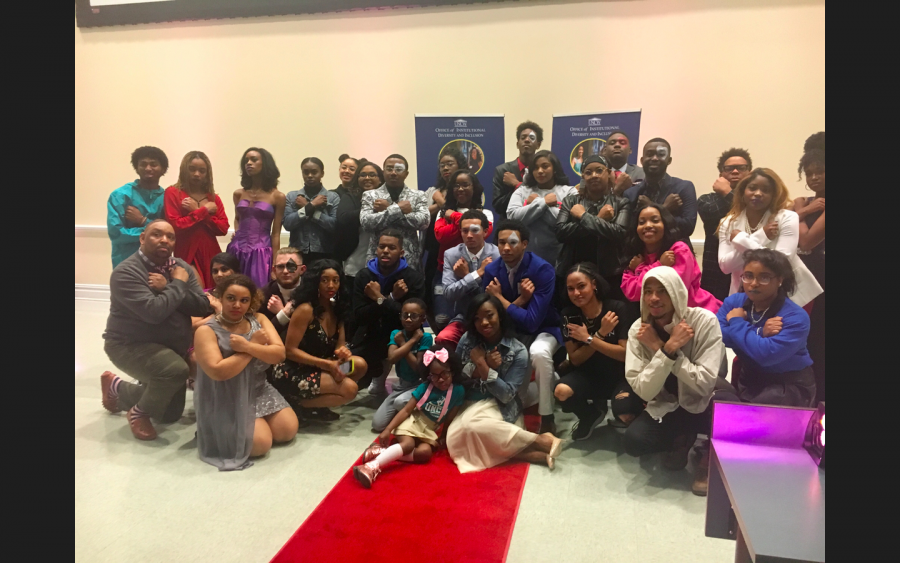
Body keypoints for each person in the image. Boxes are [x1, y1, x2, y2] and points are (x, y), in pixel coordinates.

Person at [100, 219, 214, 441]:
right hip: (129, 345)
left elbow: (202, 305)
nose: (165, 240)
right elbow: (154, 313)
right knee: (174, 371)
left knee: (169, 414)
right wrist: (178, 285)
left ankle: (117, 388)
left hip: (169, 347)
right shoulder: (126, 272)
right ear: (142, 238)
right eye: (157, 234)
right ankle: (138, 412)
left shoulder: (180, 267)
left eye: (170, 236)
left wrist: (169, 286)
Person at [622, 266, 728, 496]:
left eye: (663, 291)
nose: (654, 298)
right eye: (648, 291)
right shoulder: (638, 330)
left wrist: (664, 350)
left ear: (676, 292)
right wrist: (667, 350)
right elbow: (644, 390)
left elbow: (705, 382)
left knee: (729, 416)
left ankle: (707, 457)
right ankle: (681, 440)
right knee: (634, 441)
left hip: (705, 400)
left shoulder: (704, 321)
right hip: (668, 405)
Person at [447, 294, 563, 472]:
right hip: (469, 402)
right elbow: (456, 376)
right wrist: (480, 366)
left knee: (470, 427)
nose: (484, 322)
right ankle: (530, 453)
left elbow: (507, 394)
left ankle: (540, 440)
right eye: (477, 319)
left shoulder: (517, 350)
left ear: (500, 316)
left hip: (499, 406)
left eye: (489, 315)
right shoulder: (467, 340)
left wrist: (484, 368)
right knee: (454, 439)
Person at [193, 274, 298, 470]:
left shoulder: (259, 319)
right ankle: (214, 428)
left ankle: (239, 428)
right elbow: (218, 372)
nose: (237, 305)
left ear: (252, 301)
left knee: (287, 431)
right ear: (220, 298)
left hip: (259, 388)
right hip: (226, 395)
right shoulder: (206, 331)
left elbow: (279, 354)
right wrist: (254, 346)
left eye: (244, 300)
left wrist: (247, 347)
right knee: (260, 445)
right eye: (231, 298)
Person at [482, 220, 562, 435]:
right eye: (501, 243)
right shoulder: (491, 270)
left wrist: (499, 298)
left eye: (513, 242)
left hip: (545, 328)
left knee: (540, 353)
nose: (506, 248)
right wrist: (520, 301)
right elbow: (491, 315)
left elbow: (533, 321)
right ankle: (551, 380)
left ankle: (547, 417)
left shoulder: (542, 269)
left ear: (525, 243)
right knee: (515, 400)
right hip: (513, 332)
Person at [354, 346, 465, 487]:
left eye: (445, 374)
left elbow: (449, 417)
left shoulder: (458, 391)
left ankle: (382, 452)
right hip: (413, 421)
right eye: (435, 375)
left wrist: (443, 435)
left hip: (429, 430)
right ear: (428, 375)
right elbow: (406, 410)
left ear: (453, 371)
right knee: (408, 445)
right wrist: (388, 429)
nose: (441, 379)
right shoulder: (425, 388)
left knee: (425, 454)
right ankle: (372, 467)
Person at [716, 249, 815, 407]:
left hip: (787, 386)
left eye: (764, 277)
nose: (754, 283)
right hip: (748, 378)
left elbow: (765, 354)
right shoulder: (734, 302)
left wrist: (736, 321)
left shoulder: (795, 317)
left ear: (780, 280)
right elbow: (716, 334)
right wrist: (760, 332)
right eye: (748, 276)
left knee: (751, 421)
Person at [271, 260, 368, 421]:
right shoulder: (305, 309)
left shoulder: (337, 308)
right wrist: (328, 365)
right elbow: (290, 351)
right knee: (350, 390)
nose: (331, 285)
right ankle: (296, 404)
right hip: (294, 370)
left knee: (358, 365)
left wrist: (342, 353)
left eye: (335, 280)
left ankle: (319, 404)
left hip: (321, 365)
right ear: (315, 281)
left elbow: (339, 346)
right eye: (325, 280)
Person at [556, 263, 643, 440]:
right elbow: (575, 360)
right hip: (587, 375)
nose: (576, 293)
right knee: (561, 391)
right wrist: (601, 334)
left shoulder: (617, 309)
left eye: (581, 286)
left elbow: (624, 354)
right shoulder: (568, 315)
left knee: (625, 413)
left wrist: (589, 339)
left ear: (594, 285)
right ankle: (590, 415)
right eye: (571, 289)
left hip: (620, 375)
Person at [717, 168, 822, 307]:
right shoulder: (728, 222)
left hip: (790, 294)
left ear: (774, 195)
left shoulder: (787, 217)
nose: (758, 193)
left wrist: (742, 239)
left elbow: (782, 262)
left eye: (766, 190)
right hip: (747, 294)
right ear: (742, 192)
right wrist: (762, 235)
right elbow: (726, 266)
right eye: (752, 188)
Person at [351, 229, 426, 395]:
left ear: (401, 252)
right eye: (382, 246)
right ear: (376, 249)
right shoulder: (364, 276)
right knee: (349, 372)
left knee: (412, 339)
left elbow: (411, 318)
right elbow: (359, 315)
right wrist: (391, 298)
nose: (385, 251)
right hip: (369, 333)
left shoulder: (413, 278)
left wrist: (379, 298)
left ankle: (401, 381)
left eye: (391, 247)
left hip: (400, 333)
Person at [555, 155, 632, 297]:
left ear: (608, 173)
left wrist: (584, 217)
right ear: (583, 176)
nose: (594, 175)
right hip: (573, 271)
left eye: (599, 170)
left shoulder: (621, 203)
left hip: (609, 273)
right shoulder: (570, 201)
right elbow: (561, 232)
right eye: (588, 172)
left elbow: (619, 233)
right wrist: (599, 219)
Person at [622, 203, 721, 313]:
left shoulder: (679, 250)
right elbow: (632, 293)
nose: (648, 225)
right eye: (641, 222)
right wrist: (659, 265)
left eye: (655, 220)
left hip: (698, 313)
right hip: (662, 320)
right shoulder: (637, 257)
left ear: (665, 224)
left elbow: (671, 291)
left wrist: (642, 270)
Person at [433, 169, 495, 330]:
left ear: (474, 188)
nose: (460, 189)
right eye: (456, 185)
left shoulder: (486, 213)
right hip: (446, 271)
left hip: (479, 270)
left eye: (465, 185)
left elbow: (486, 232)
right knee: (442, 319)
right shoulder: (441, 213)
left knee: (480, 316)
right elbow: (441, 236)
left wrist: (453, 217)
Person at [164, 151, 230, 289]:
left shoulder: (213, 198)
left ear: (207, 174)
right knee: (196, 291)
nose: (196, 174)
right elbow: (175, 225)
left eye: (202, 171)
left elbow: (223, 228)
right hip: (187, 250)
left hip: (211, 251)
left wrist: (200, 214)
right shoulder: (173, 192)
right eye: (192, 169)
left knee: (214, 291)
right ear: (184, 169)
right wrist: (203, 211)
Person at [436, 210, 501, 351]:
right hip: (465, 317)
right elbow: (448, 293)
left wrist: (466, 275)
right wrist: (477, 274)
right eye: (465, 231)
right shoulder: (452, 254)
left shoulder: (497, 255)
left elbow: (492, 295)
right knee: (443, 338)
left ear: (485, 232)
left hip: (492, 319)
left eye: (475, 230)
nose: (469, 235)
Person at [793, 132, 825, 401]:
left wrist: (799, 211)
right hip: (804, 280)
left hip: (823, 281)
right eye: (809, 173)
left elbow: (806, 240)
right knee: (805, 340)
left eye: (820, 172)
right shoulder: (806, 202)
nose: (814, 178)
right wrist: (801, 209)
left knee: (820, 341)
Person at [697, 148, 753, 301]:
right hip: (716, 271)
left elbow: (750, 213)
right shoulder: (706, 200)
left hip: (749, 269)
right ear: (721, 174)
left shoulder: (758, 201)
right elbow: (713, 216)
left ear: (750, 172)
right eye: (729, 169)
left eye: (741, 168)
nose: (735, 171)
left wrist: (728, 192)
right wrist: (729, 194)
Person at [371, 299, 434, 432]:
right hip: (401, 386)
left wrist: (404, 344)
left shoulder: (426, 337)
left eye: (414, 316)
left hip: (419, 385)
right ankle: (404, 414)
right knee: (378, 425)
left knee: (400, 402)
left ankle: (416, 415)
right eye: (405, 315)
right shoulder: (396, 334)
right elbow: (392, 358)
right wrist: (411, 341)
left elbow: (417, 368)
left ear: (423, 319)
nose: (409, 320)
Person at [227, 147, 286, 288]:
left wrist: (275, 264)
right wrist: (237, 232)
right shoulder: (238, 194)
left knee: (258, 292)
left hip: (261, 253)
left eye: (254, 160)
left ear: (265, 164)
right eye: (246, 160)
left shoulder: (277, 196)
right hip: (236, 250)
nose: (249, 163)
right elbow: (237, 218)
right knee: (232, 289)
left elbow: (276, 233)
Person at [422, 150, 467, 330]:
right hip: (435, 248)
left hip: (458, 250)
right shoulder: (433, 191)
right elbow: (423, 216)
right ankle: (439, 332)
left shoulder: (465, 188)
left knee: (457, 293)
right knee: (430, 295)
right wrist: (440, 203)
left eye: (450, 163)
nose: (446, 168)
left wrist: (442, 203)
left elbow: (462, 216)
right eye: (442, 165)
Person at [506, 150, 577, 265]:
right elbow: (513, 218)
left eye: (545, 166)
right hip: (528, 258)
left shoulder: (569, 192)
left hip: (560, 259)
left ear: (554, 169)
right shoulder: (523, 190)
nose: (540, 171)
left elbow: (566, 225)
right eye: (535, 168)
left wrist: (536, 203)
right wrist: (544, 202)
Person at [359, 154, 430, 269]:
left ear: (406, 174)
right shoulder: (370, 195)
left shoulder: (418, 195)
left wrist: (388, 208)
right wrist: (398, 208)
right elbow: (366, 223)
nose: (393, 172)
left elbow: (424, 222)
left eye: (398, 169)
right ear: (383, 172)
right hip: (377, 260)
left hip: (409, 261)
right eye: (389, 168)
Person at [623, 138, 697, 241]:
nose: (654, 158)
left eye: (661, 154)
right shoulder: (631, 193)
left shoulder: (684, 187)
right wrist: (665, 208)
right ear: (642, 160)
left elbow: (688, 227)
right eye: (650, 154)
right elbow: (628, 230)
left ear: (669, 160)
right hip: (642, 255)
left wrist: (650, 208)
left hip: (675, 253)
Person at [107, 146, 169, 268]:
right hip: (126, 261)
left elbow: (169, 233)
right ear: (136, 168)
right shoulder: (120, 196)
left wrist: (143, 221)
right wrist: (154, 232)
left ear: (163, 169)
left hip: (158, 264)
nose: (148, 168)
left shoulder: (168, 198)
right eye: (143, 164)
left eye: (153, 164)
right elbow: (117, 234)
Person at [284, 157, 340, 266]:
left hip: (324, 253)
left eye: (314, 172)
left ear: (322, 173)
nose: (310, 176)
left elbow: (334, 226)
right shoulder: (292, 196)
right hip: (297, 253)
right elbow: (288, 224)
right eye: (306, 172)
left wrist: (308, 208)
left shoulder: (333, 197)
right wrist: (312, 205)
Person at [336, 160, 383, 289]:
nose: (367, 178)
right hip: (355, 260)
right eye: (362, 175)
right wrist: (370, 208)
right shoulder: (350, 197)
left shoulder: (388, 198)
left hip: (384, 260)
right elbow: (343, 218)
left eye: (372, 175)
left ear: (380, 179)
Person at [493, 121, 543, 221]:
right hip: (509, 227)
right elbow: (498, 206)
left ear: (538, 144)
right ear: (517, 144)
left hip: (536, 228)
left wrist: (516, 185)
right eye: (523, 137)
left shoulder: (543, 172)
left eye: (531, 138)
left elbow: (544, 199)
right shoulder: (502, 170)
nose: (527, 140)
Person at [261, 247, 306, 340]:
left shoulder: (313, 291)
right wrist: (284, 313)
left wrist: (281, 313)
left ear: (302, 269)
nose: (285, 271)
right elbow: (262, 334)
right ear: (274, 270)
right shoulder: (263, 294)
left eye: (291, 266)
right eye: (281, 267)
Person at [602, 130, 645, 196]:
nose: (617, 145)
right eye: (612, 143)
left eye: (622, 143)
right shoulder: (598, 174)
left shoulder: (641, 173)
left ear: (630, 150)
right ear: (605, 151)